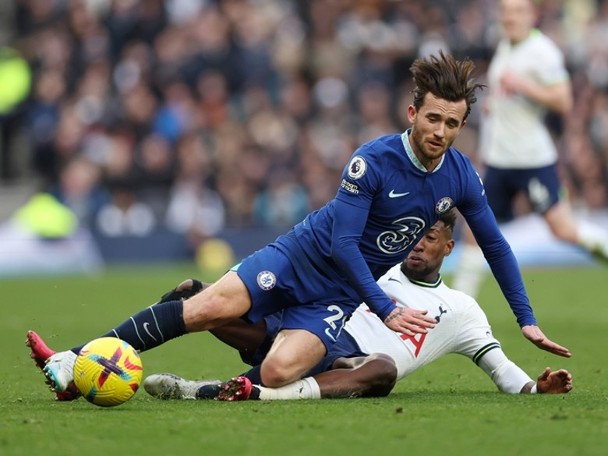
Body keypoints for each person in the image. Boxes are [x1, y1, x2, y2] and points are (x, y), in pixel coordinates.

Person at [27, 52, 570, 402]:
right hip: (302, 256)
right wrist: (384, 307)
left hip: (336, 294)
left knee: (283, 372)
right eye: (434, 119)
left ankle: (213, 379)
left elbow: (494, 244)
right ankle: (74, 361)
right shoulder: (372, 162)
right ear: (412, 113)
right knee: (207, 308)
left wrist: (526, 319)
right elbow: (340, 241)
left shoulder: (459, 176)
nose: (442, 132)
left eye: (453, 124)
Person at [27, 211, 573, 401]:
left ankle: (225, 391)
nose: (416, 243)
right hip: (306, 331)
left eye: (429, 237)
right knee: (203, 305)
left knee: (381, 371)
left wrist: (534, 387)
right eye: (413, 233)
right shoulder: (373, 269)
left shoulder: (460, 310)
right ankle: (79, 363)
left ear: (449, 246)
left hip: (346, 364)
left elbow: (501, 371)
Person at [452, 0, 608, 298]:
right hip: (499, 160)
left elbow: (563, 101)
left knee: (562, 229)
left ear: (532, 15)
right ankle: (458, 305)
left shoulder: (542, 52)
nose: (511, 18)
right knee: (474, 227)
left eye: (518, 11)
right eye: (506, 12)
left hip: (531, 159)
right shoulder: (507, 46)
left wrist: (523, 85)